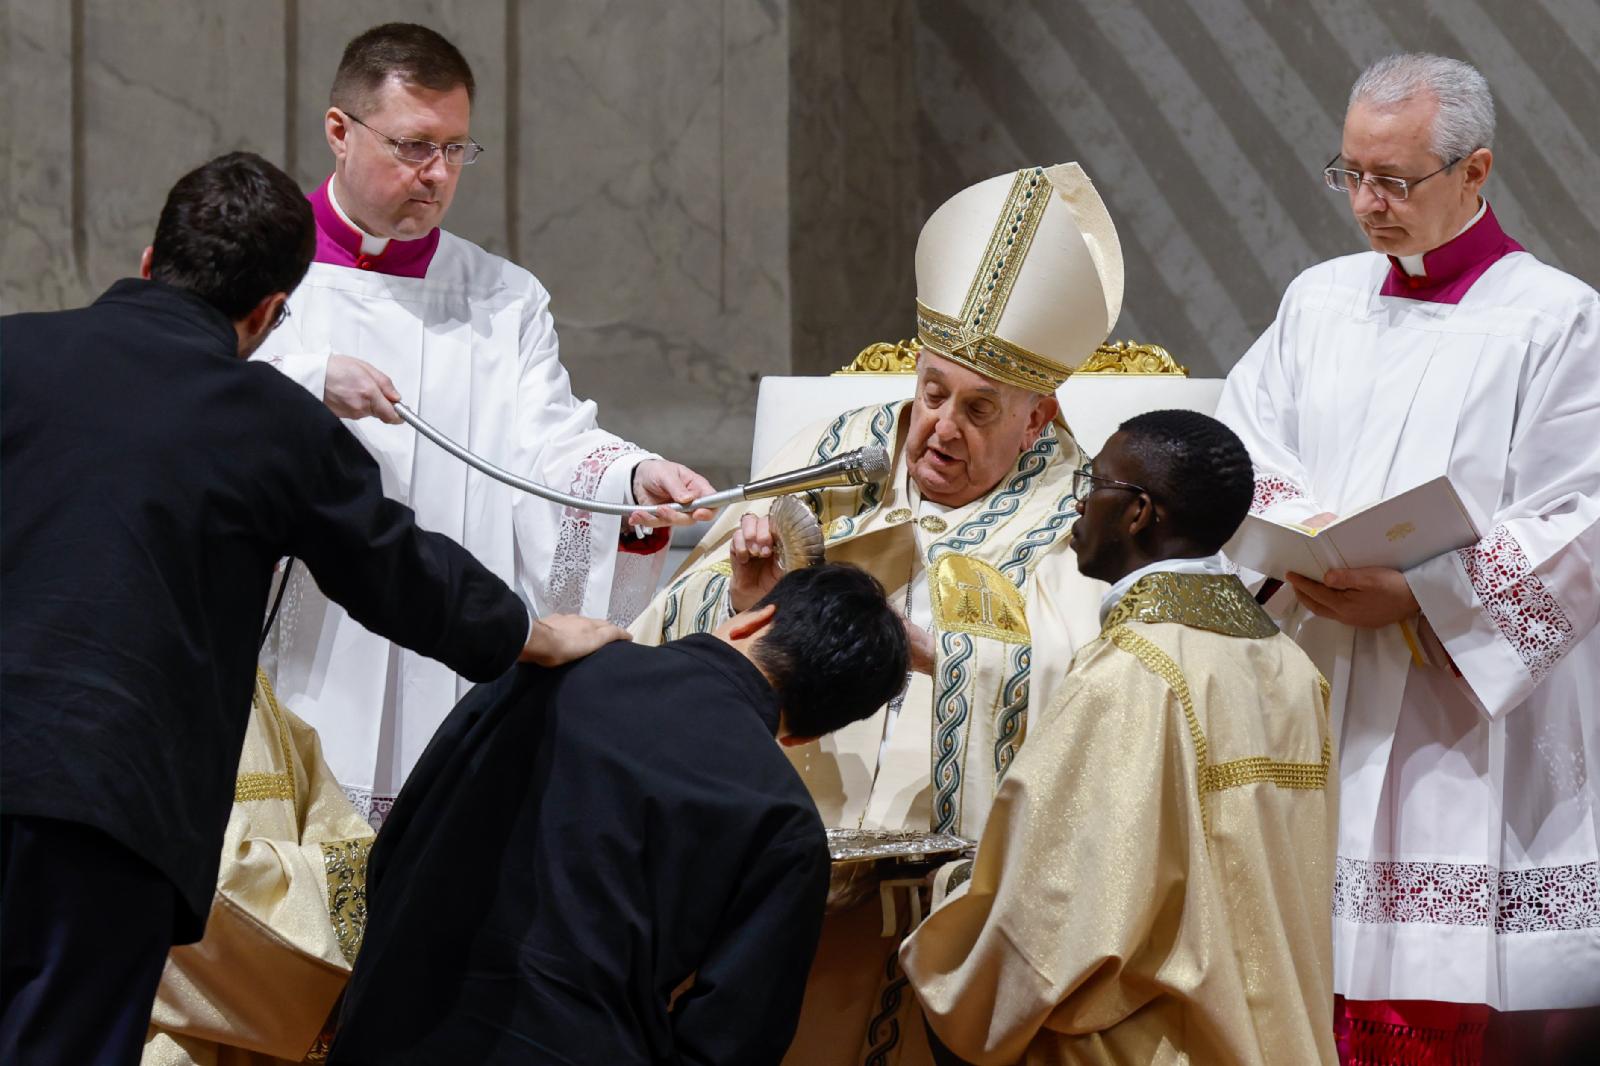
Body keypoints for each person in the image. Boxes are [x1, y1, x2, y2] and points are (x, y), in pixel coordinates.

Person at [0, 151, 625, 1066]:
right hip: (104, 811)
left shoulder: (11, 351)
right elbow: (395, 569)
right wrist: (530, 631)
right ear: (266, 314)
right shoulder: (266, 418)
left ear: (145, 262)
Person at [631, 162, 1122, 1065]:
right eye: (933, 392)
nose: (940, 429)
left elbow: (1089, 685)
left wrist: (939, 653)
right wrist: (751, 595)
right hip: (783, 850)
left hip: (948, 890)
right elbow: (667, 626)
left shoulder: (1080, 510)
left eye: (981, 410)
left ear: (1037, 416)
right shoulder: (831, 459)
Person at [1215, 53, 1600, 1062]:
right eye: (1349, 174)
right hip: (1326, 676)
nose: (1367, 203)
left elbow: (1582, 511)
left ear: (1474, 174)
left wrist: (1429, 596)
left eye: (1394, 180)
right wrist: (1300, 539)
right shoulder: (1318, 301)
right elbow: (1245, 445)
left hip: (1464, 716)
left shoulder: (1555, 319)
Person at [253, 22, 715, 825]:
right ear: (339, 132)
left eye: (456, 151)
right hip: (314, 646)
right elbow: (189, 392)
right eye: (412, 146)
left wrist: (630, 480)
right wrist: (307, 377)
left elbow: (548, 443)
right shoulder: (263, 273)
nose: (435, 176)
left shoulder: (503, 297)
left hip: (451, 648)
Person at [328, 564, 910, 1065]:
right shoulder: (785, 820)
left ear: (753, 620)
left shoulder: (558, 664)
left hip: (393, 1027)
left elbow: (402, 836)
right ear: (805, 734)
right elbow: (732, 1041)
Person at [900, 411, 1338, 1065]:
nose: (1078, 502)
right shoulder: (1293, 669)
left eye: (1094, 483)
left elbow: (1054, 908)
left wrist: (950, 911)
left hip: (1156, 1044)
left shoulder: (1130, 672)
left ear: (1137, 512)